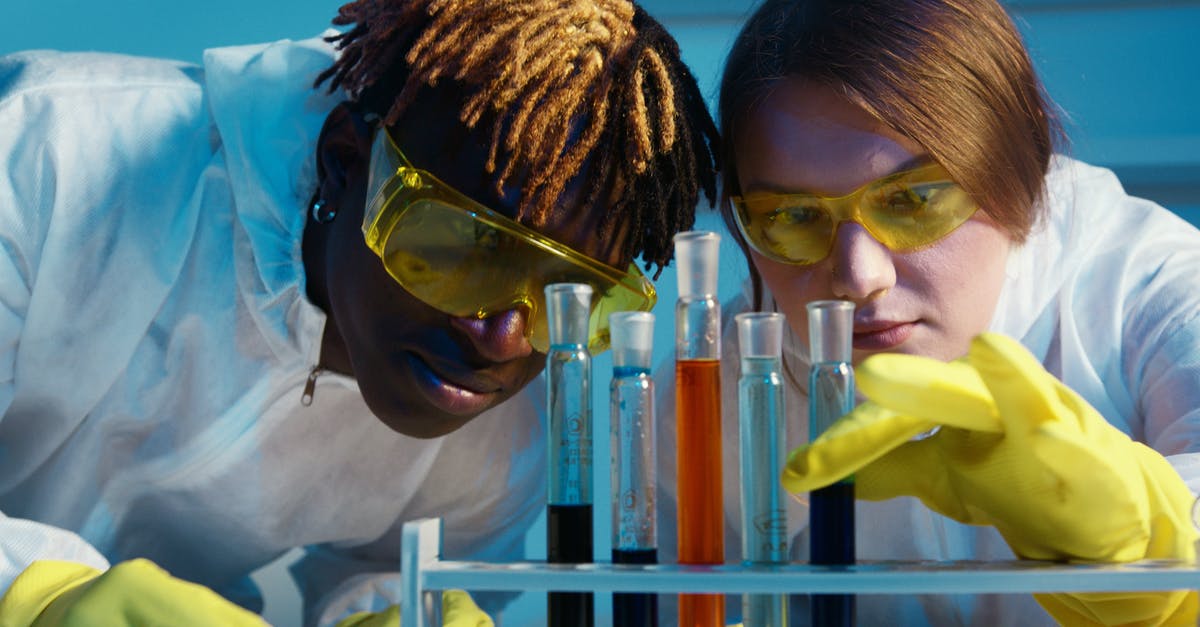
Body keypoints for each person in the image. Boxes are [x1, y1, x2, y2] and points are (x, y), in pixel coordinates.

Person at [0, 0, 718, 624]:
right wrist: (38, 593)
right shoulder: (43, 156)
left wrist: (391, 607)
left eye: (568, 291)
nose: (502, 340)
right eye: (470, 246)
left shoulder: (501, 440)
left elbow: (378, 580)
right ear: (348, 162)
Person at [654, 0, 1200, 624]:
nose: (860, 279)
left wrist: (1140, 536)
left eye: (912, 200)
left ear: (1019, 172)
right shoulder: (724, 380)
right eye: (793, 217)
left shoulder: (1153, 288)